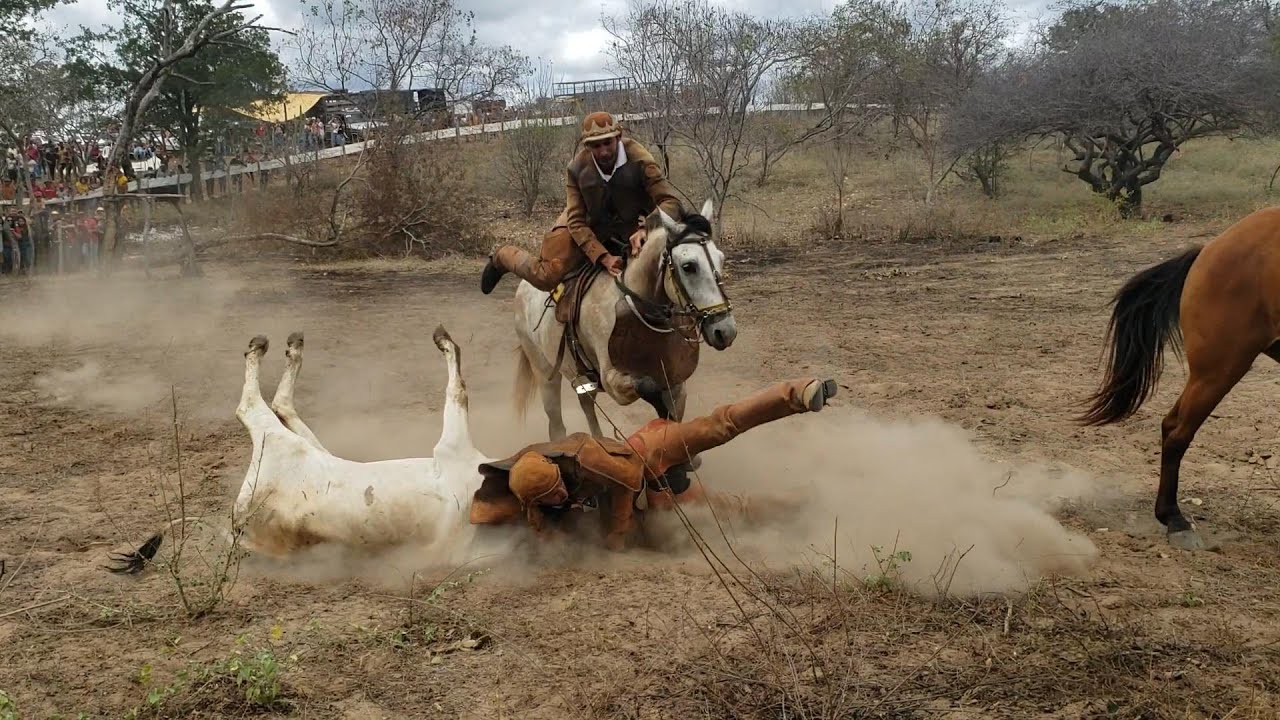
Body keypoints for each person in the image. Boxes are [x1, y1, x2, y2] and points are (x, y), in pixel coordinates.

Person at [468, 377, 838, 550]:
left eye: (558, 486)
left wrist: (616, 535)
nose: (561, 494)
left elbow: (627, 478)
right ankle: (802, 503)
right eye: (552, 497)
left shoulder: (585, 460)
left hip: (646, 453)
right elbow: (536, 526)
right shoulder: (531, 490)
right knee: (730, 510)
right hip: (659, 499)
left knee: (717, 426)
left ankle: (797, 392)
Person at [480, 110, 683, 294]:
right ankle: (503, 256)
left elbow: (670, 202)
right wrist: (603, 257)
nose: (603, 151)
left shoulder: (642, 161)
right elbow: (576, 222)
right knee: (547, 275)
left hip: (632, 224)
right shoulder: (576, 169)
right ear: (587, 146)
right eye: (595, 146)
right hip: (587, 223)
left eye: (607, 143)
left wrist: (647, 228)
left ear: (618, 138)